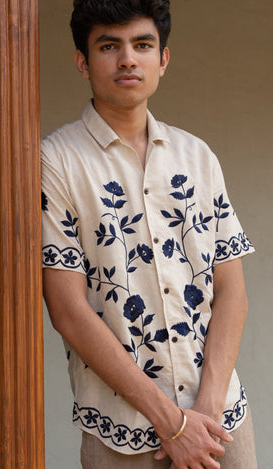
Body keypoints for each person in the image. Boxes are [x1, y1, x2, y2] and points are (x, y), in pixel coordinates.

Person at [41, 1, 257, 467]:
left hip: (220, 426)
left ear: (162, 59)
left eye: (142, 45)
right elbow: (68, 310)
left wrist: (205, 413)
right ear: (82, 61)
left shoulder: (197, 156)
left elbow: (232, 291)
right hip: (123, 434)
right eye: (108, 46)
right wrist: (172, 423)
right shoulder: (54, 162)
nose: (127, 59)